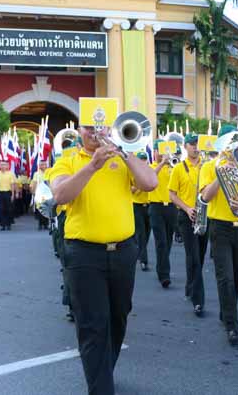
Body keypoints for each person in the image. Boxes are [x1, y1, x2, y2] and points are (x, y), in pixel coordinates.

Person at [50, 109, 157, 395]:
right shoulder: (67, 160)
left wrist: (123, 151)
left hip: (123, 252)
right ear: (79, 129)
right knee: (93, 324)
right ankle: (101, 387)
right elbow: (60, 196)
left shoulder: (121, 157)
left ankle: (102, 373)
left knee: (119, 317)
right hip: (83, 255)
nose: (93, 132)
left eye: (99, 126)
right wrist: (92, 166)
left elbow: (150, 183)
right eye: (88, 127)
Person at [199, 125, 238, 345]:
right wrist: (220, 174)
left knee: (236, 276)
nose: (232, 149)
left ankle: (227, 312)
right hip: (220, 228)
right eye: (228, 144)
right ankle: (232, 325)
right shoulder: (209, 166)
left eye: (235, 144)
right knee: (225, 277)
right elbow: (205, 198)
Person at [168, 133, 207, 316]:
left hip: (204, 215)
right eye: (192, 144)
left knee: (198, 255)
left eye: (197, 144)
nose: (195, 147)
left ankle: (190, 287)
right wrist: (187, 208)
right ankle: (198, 300)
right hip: (186, 216)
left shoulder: (206, 166)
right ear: (185, 147)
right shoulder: (178, 169)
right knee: (194, 257)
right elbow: (172, 195)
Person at [148, 140, 177, 288]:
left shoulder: (172, 166)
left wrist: (170, 165)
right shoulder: (151, 166)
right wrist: (162, 163)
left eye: (163, 151)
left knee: (169, 241)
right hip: (156, 207)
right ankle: (164, 275)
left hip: (171, 207)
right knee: (161, 242)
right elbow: (150, 177)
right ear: (154, 152)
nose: (162, 154)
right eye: (158, 151)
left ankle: (162, 267)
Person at [131, 153, 151, 271]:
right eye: (141, 160)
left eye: (145, 160)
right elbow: (132, 190)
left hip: (148, 205)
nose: (143, 162)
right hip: (136, 205)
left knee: (147, 233)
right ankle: (144, 260)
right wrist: (142, 183)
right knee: (141, 233)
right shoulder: (134, 174)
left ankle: (139, 251)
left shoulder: (148, 171)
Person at [0, 161, 17, 231]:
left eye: (4, 165)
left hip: (8, 193)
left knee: (9, 209)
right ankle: (2, 225)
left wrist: (13, 194)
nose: (3, 166)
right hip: (0, 193)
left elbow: (12, 185)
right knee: (1, 209)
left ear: (7, 166)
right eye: (1, 165)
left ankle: (8, 224)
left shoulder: (11, 174)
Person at [31, 160, 50, 230]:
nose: (43, 166)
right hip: (39, 193)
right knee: (40, 209)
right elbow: (34, 183)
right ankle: (40, 224)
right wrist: (33, 192)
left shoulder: (49, 172)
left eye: (44, 164)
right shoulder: (36, 174)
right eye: (41, 164)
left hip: (47, 193)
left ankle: (46, 224)